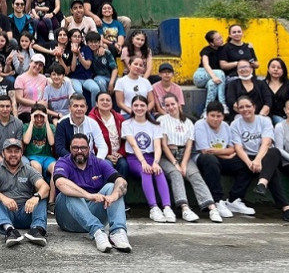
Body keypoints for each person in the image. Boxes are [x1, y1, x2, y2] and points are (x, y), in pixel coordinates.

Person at [53, 134, 131, 253]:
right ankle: (98, 232)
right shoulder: (63, 162)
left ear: (89, 149)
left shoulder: (98, 162)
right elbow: (60, 183)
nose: (79, 151)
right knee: (67, 192)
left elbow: (121, 181)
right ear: (70, 148)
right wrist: (88, 195)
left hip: (93, 212)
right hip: (68, 218)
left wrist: (113, 196)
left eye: (83, 148)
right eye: (75, 148)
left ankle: (118, 232)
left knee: (112, 187)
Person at [157, 94, 223, 223]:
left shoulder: (188, 122)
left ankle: (212, 207)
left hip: (184, 156)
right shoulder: (162, 120)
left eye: (173, 104)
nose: (171, 107)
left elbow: (189, 146)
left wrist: (184, 164)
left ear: (178, 104)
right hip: (167, 156)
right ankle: (185, 208)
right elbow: (164, 145)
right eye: (167, 105)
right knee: (176, 173)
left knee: (194, 175)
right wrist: (176, 163)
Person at [231, 96, 289, 222]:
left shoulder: (264, 121)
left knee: (274, 152)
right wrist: (250, 163)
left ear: (254, 107)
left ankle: (262, 183)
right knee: (273, 172)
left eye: (248, 106)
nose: (245, 109)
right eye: (241, 107)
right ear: (238, 110)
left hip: (264, 155)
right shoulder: (235, 124)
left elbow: (266, 143)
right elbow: (238, 147)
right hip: (247, 157)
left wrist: (258, 160)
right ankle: (286, 207)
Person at [0, 138, 49, 247]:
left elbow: (45, 186)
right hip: (6, 212)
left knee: (42, 196)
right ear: (3, 153)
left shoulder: (28, 169)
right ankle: (10, 231)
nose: (13, 154)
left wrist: (36, 197)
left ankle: (37, 230)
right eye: (9, 151)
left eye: (17, 151)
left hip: (26, 211)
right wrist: (3, 198)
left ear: (21, 153)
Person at [123, 95, 174, 223]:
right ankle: (154, 208)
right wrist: (143, 162)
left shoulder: (155, 125)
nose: (139, 108)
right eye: (136, 105)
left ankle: (167, 207)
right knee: (146, 171)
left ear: (147, 107)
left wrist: (156, 163)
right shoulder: (127, 124)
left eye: (142, 105)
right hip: (134, 159)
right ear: (132, 107)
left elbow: (157, 146)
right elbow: (134, 145)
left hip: (151, 157)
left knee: (158, 171)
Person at [54, 94, 108, 159]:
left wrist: (97, 161)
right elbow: (59, 148)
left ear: (86, 108)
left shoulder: (93, 123)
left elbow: (102, 146)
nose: (79, 109)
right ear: (69, 108)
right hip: (68, 161)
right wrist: (74, 160)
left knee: (107, 165)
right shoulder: (62, 123)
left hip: (90, 160)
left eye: (82, 106)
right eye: (76, 106)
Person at [88, 92, 128, 178]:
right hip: (101, 155)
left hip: (117, 154)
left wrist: (120, 153)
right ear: (96, 103)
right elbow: (92, 142)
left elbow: (126, 139)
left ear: (112, 103)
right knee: (107, 164)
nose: (105, 102)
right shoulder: (91, 120)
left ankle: (121, 188)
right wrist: (106, 155)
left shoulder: (119, 118)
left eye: (108, 100)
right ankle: (108, 189)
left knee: (123, 164)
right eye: (102, 100)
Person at [193, 30, 227, 112]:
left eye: (221, 37)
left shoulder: (222, 49)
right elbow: (206, 65)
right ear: (211, 43)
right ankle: (222, 103)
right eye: (218, 39)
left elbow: (232, 43)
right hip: (201, 76)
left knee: (212, 84)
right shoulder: (206, 50)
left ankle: (207, 111)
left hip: (212, 78)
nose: (221, 40)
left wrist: (248, 46)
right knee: (220, 73)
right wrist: (214, 77)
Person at [14, 54, 48, 123]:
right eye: (35, 63)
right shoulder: (20, 78)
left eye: (40, 65)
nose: (37, 66)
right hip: (25, 111)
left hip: (40, 111)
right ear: (30, 62)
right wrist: (37, 103)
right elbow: (19, 98)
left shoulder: (44, 79)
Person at [265, 57, 289, 124]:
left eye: (279, 68)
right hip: (269, 117)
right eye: (273, 67)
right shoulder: (262, 84)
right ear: (268, 69)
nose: (275, 69)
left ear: (283, 70)